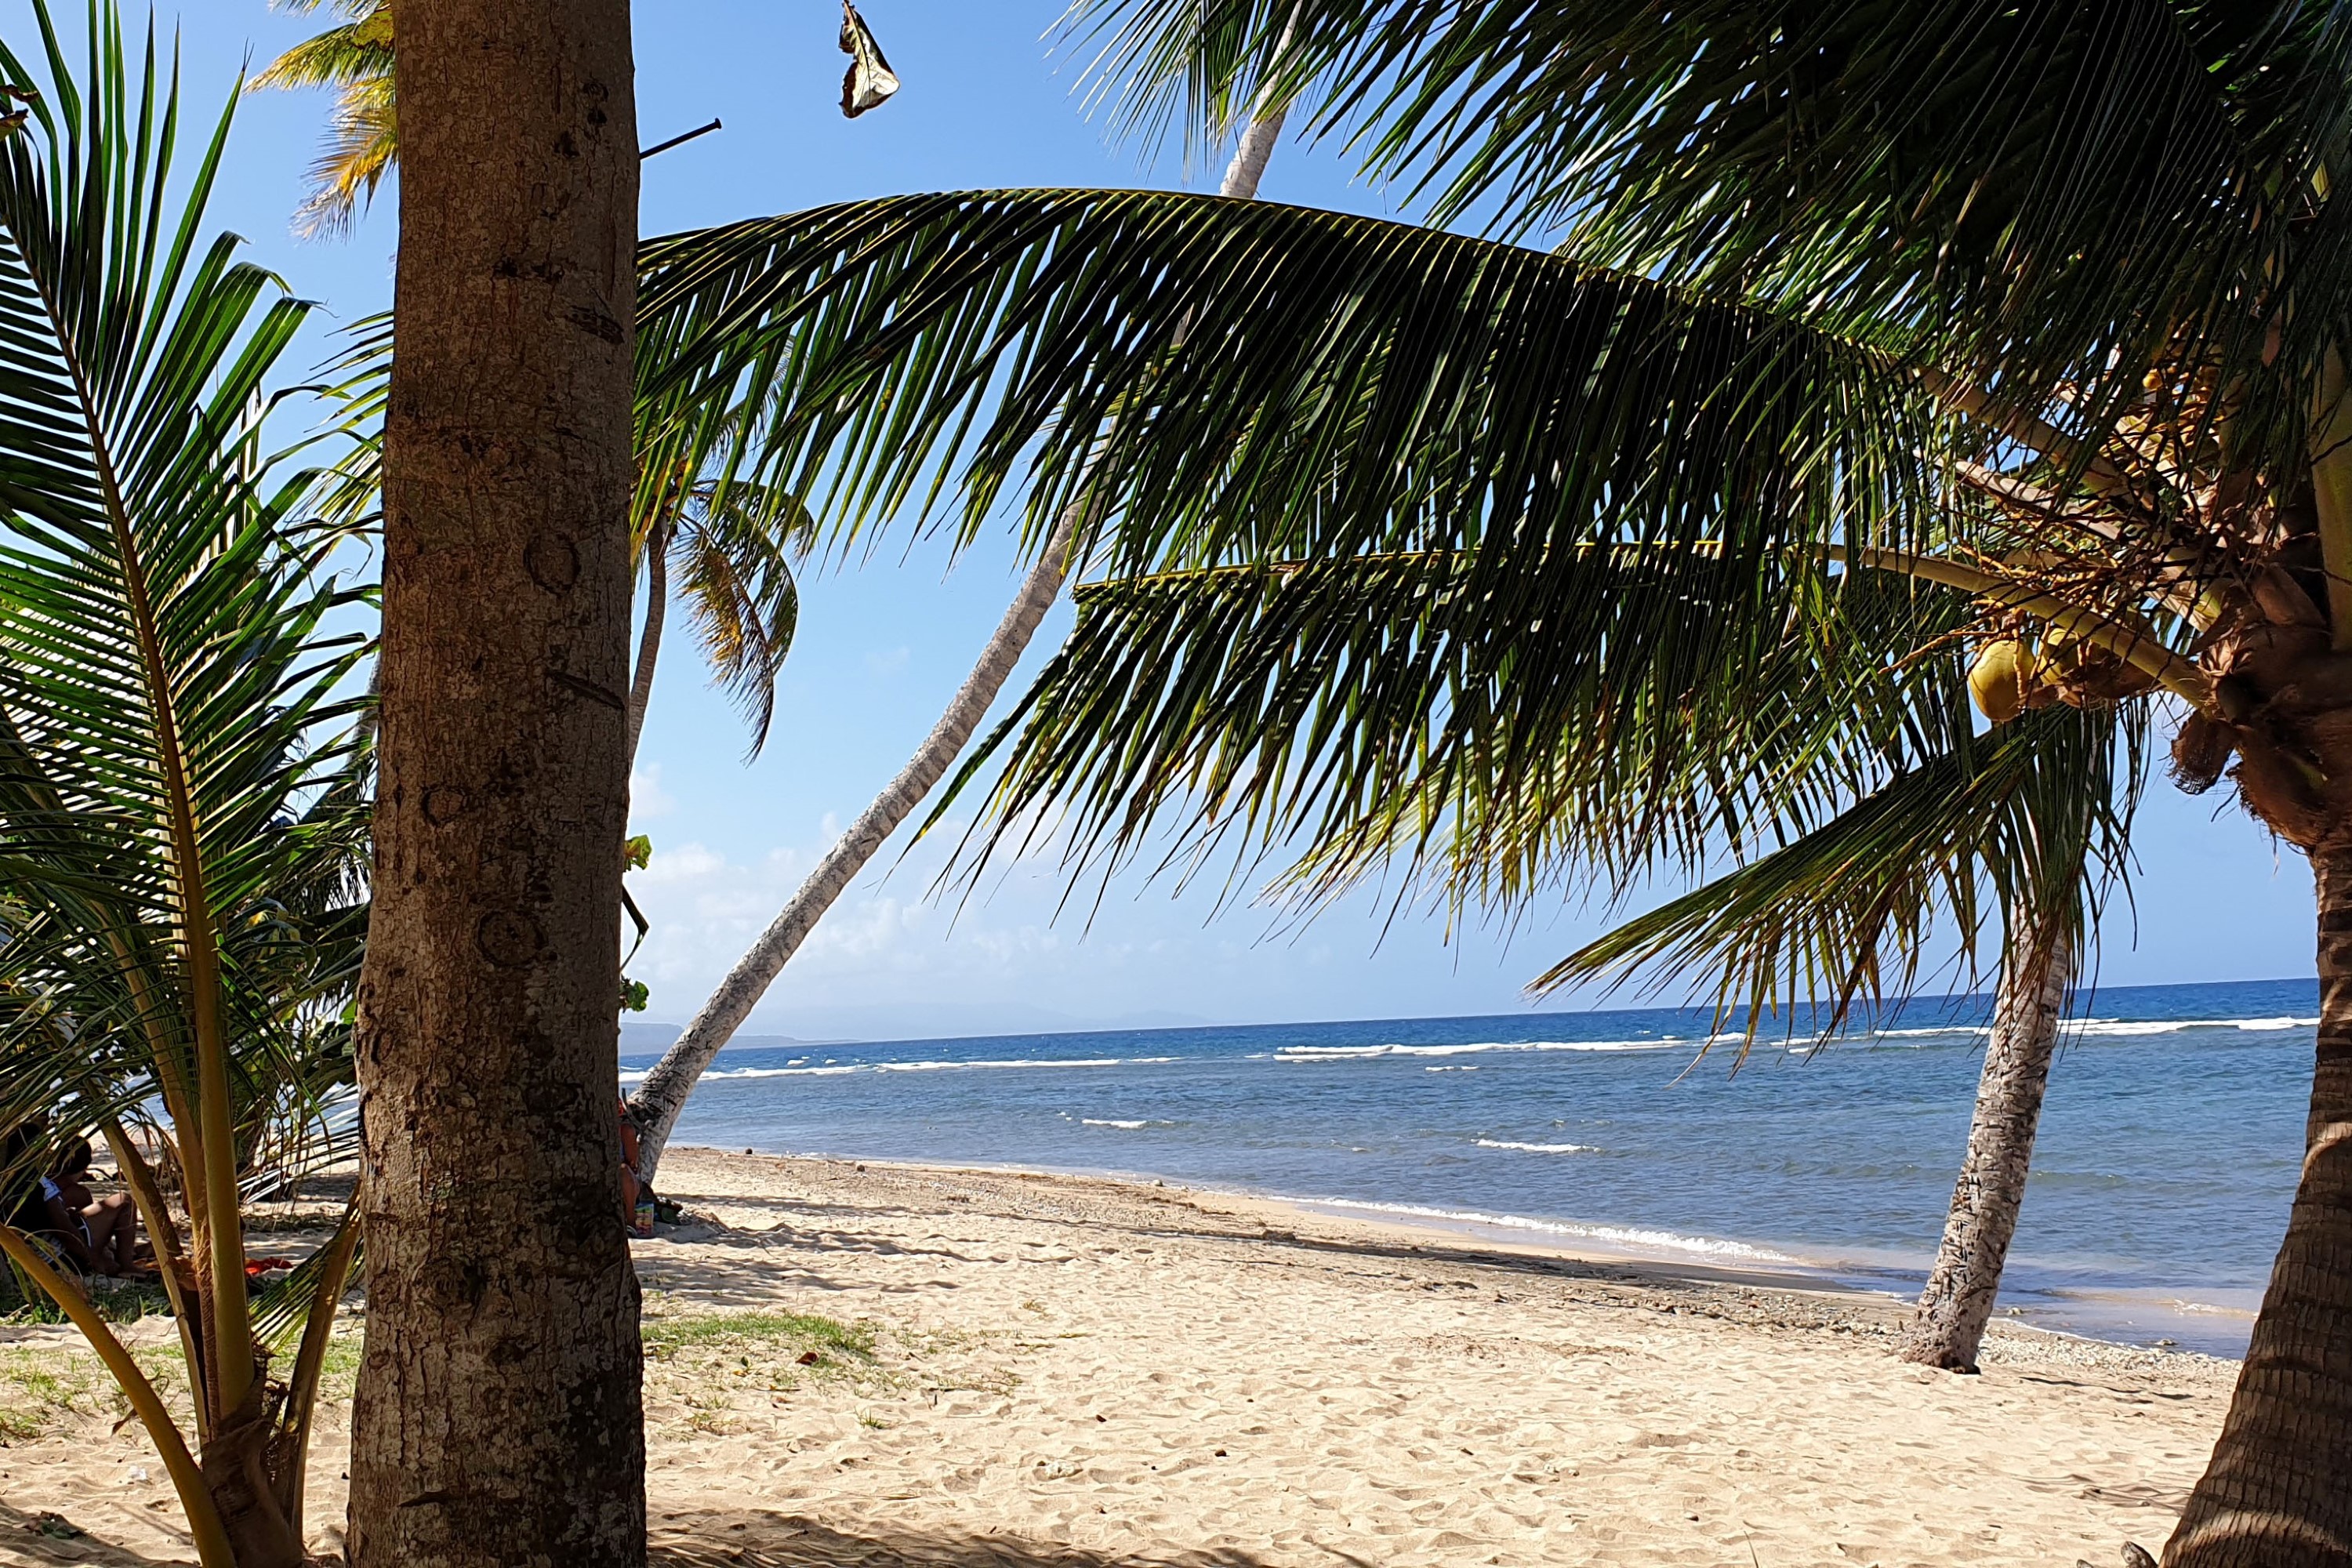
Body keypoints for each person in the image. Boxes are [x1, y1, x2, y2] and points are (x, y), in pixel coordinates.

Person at [19, 1138, 143, 1276]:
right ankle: (127, 1265)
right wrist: (95, 1261)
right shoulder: (45, 1186)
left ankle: (117, 1254)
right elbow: (66, 1233)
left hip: (29, 1255)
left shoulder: (17, 1184)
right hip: (60, 1257)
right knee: (124, 1201)